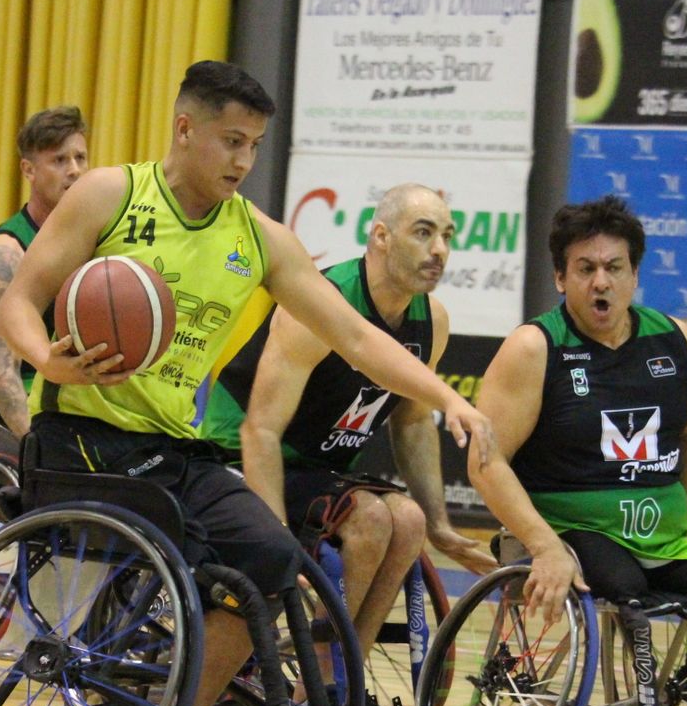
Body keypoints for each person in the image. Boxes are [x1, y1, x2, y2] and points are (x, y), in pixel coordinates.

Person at [0, 62, 492, 706]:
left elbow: (354, 334)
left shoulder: (257, 237)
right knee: (208, 546)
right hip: (82, 438)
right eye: (231, 140)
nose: (244, 159)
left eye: (254, 144)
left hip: (171, 451)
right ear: (184, 128)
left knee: (273, 554)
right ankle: (161, 690)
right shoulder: (111, 194)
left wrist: (445, 398)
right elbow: (18, 302)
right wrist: (49, 358)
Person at [467, 195, 687, 706]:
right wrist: (543, 545)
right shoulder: (534, 348)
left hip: (658, 534)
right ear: (560, 277)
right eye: (586, 269)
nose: (601, 282)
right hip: (566, 527)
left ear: (634, 275)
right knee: (628, 593)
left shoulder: (676, 341)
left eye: (614, 268)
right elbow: (483, 459)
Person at [200, 183, 496, 666]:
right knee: (372, 517)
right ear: (381, 236)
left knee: (410, 519)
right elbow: (261, 431)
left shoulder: (432, 321)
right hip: (239, 456)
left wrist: (441, 526)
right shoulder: (323, 302)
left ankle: (345, 678)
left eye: (446, 235)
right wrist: (275, 534)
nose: (439, 250)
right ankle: (316, 678)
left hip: (317, 468)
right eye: (423, 233)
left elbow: (415, 421)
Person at [0, 106, 89, 435]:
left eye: (80, 158)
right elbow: (1, 377)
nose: (74, 170)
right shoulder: (4, 253)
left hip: (73, 411)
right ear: (28, 170)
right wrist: (36, 450)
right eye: (60, 160)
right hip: (18, 422)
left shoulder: (93, 241)